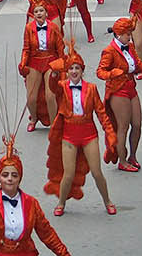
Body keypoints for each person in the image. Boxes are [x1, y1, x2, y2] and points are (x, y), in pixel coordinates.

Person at [44, 44, 117, 216]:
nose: (74, 71)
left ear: (82, 71)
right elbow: (53, 87)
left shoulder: (91, 88)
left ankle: (107, 201)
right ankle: (61, 203)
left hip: (89, 134)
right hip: (69, 135)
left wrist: (110, 133)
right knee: (68, 175)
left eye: (77, 68)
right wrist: (54, 73)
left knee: (97, 172)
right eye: (71, 69)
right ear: (67, 71)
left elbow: (101, 112)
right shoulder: (62, 86)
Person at [96, 17, 142, 173]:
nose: (130, 37)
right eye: (127, 34)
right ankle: (122, 160)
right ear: (118, 34)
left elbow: (138, 65)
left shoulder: (130, 47)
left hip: (131, 87)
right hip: (118, 89)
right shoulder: (109, 51)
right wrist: (113, 73)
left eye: (130, 33)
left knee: (137, 124)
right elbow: (100, 72)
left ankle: (132, 156)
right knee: (123, 127)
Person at [19, 0, 64, 133]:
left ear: (46, 13)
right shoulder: (28, 28)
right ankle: (33, 118)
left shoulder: (54, 27)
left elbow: (60, 49)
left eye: (41, 11)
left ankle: (53, 123)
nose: (39, 13)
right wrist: (23, 63)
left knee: (50, 96)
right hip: (35, 61)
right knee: (31, 97)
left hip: (51, 61)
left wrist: (62, 65)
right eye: (36, 11)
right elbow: (26, 48)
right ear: (33, 14)